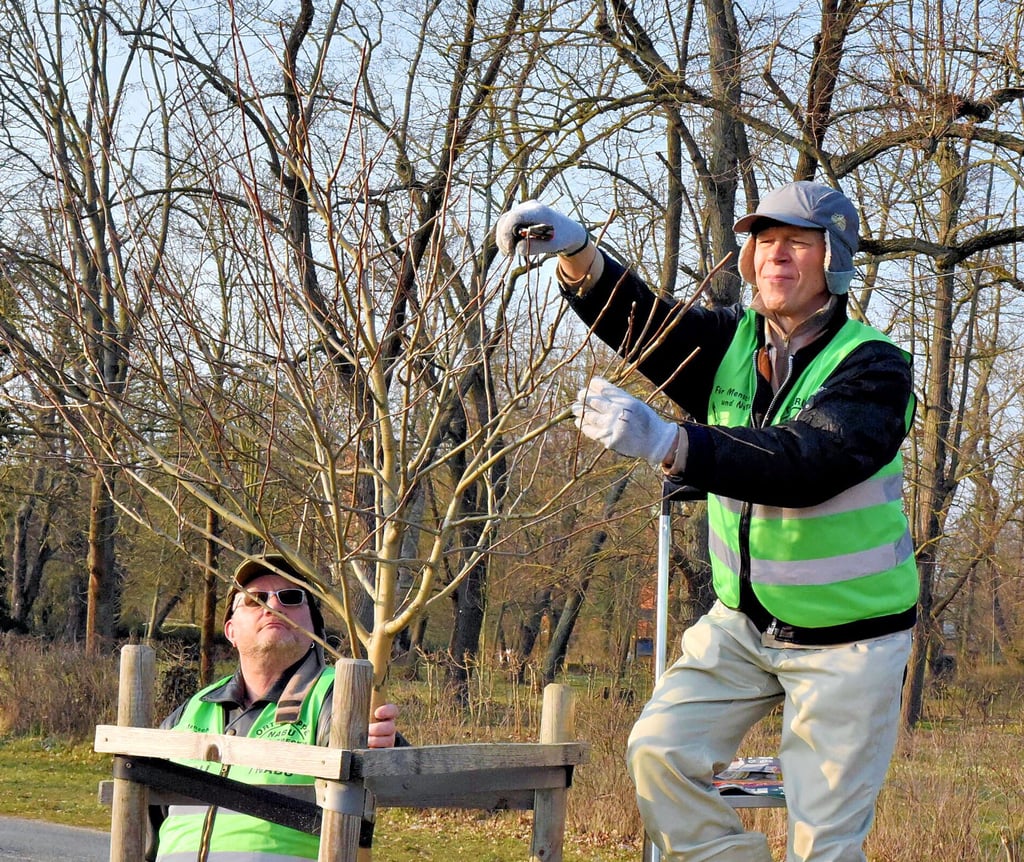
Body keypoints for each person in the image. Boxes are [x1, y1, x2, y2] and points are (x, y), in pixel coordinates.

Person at [496, 181, 919, 862]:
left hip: (850, 644)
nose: (775, 255)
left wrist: (673, 444)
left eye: (797, 243)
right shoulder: (731, 341)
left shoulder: (874, 367)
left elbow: (808, 461)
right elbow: (647, 324)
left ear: (834, 260)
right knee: (661, 755)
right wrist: (578, 256)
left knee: (824, 837)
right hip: (744, 624)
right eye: (765, 241)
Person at [150, 553, 401, 862]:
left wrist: (384, 743)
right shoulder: (193, 709)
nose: (274, 605)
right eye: (255, 599)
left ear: (314, 627)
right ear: (230, 631)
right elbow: (149, 811)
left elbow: (387, 772)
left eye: (291, 597)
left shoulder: (338, 697)